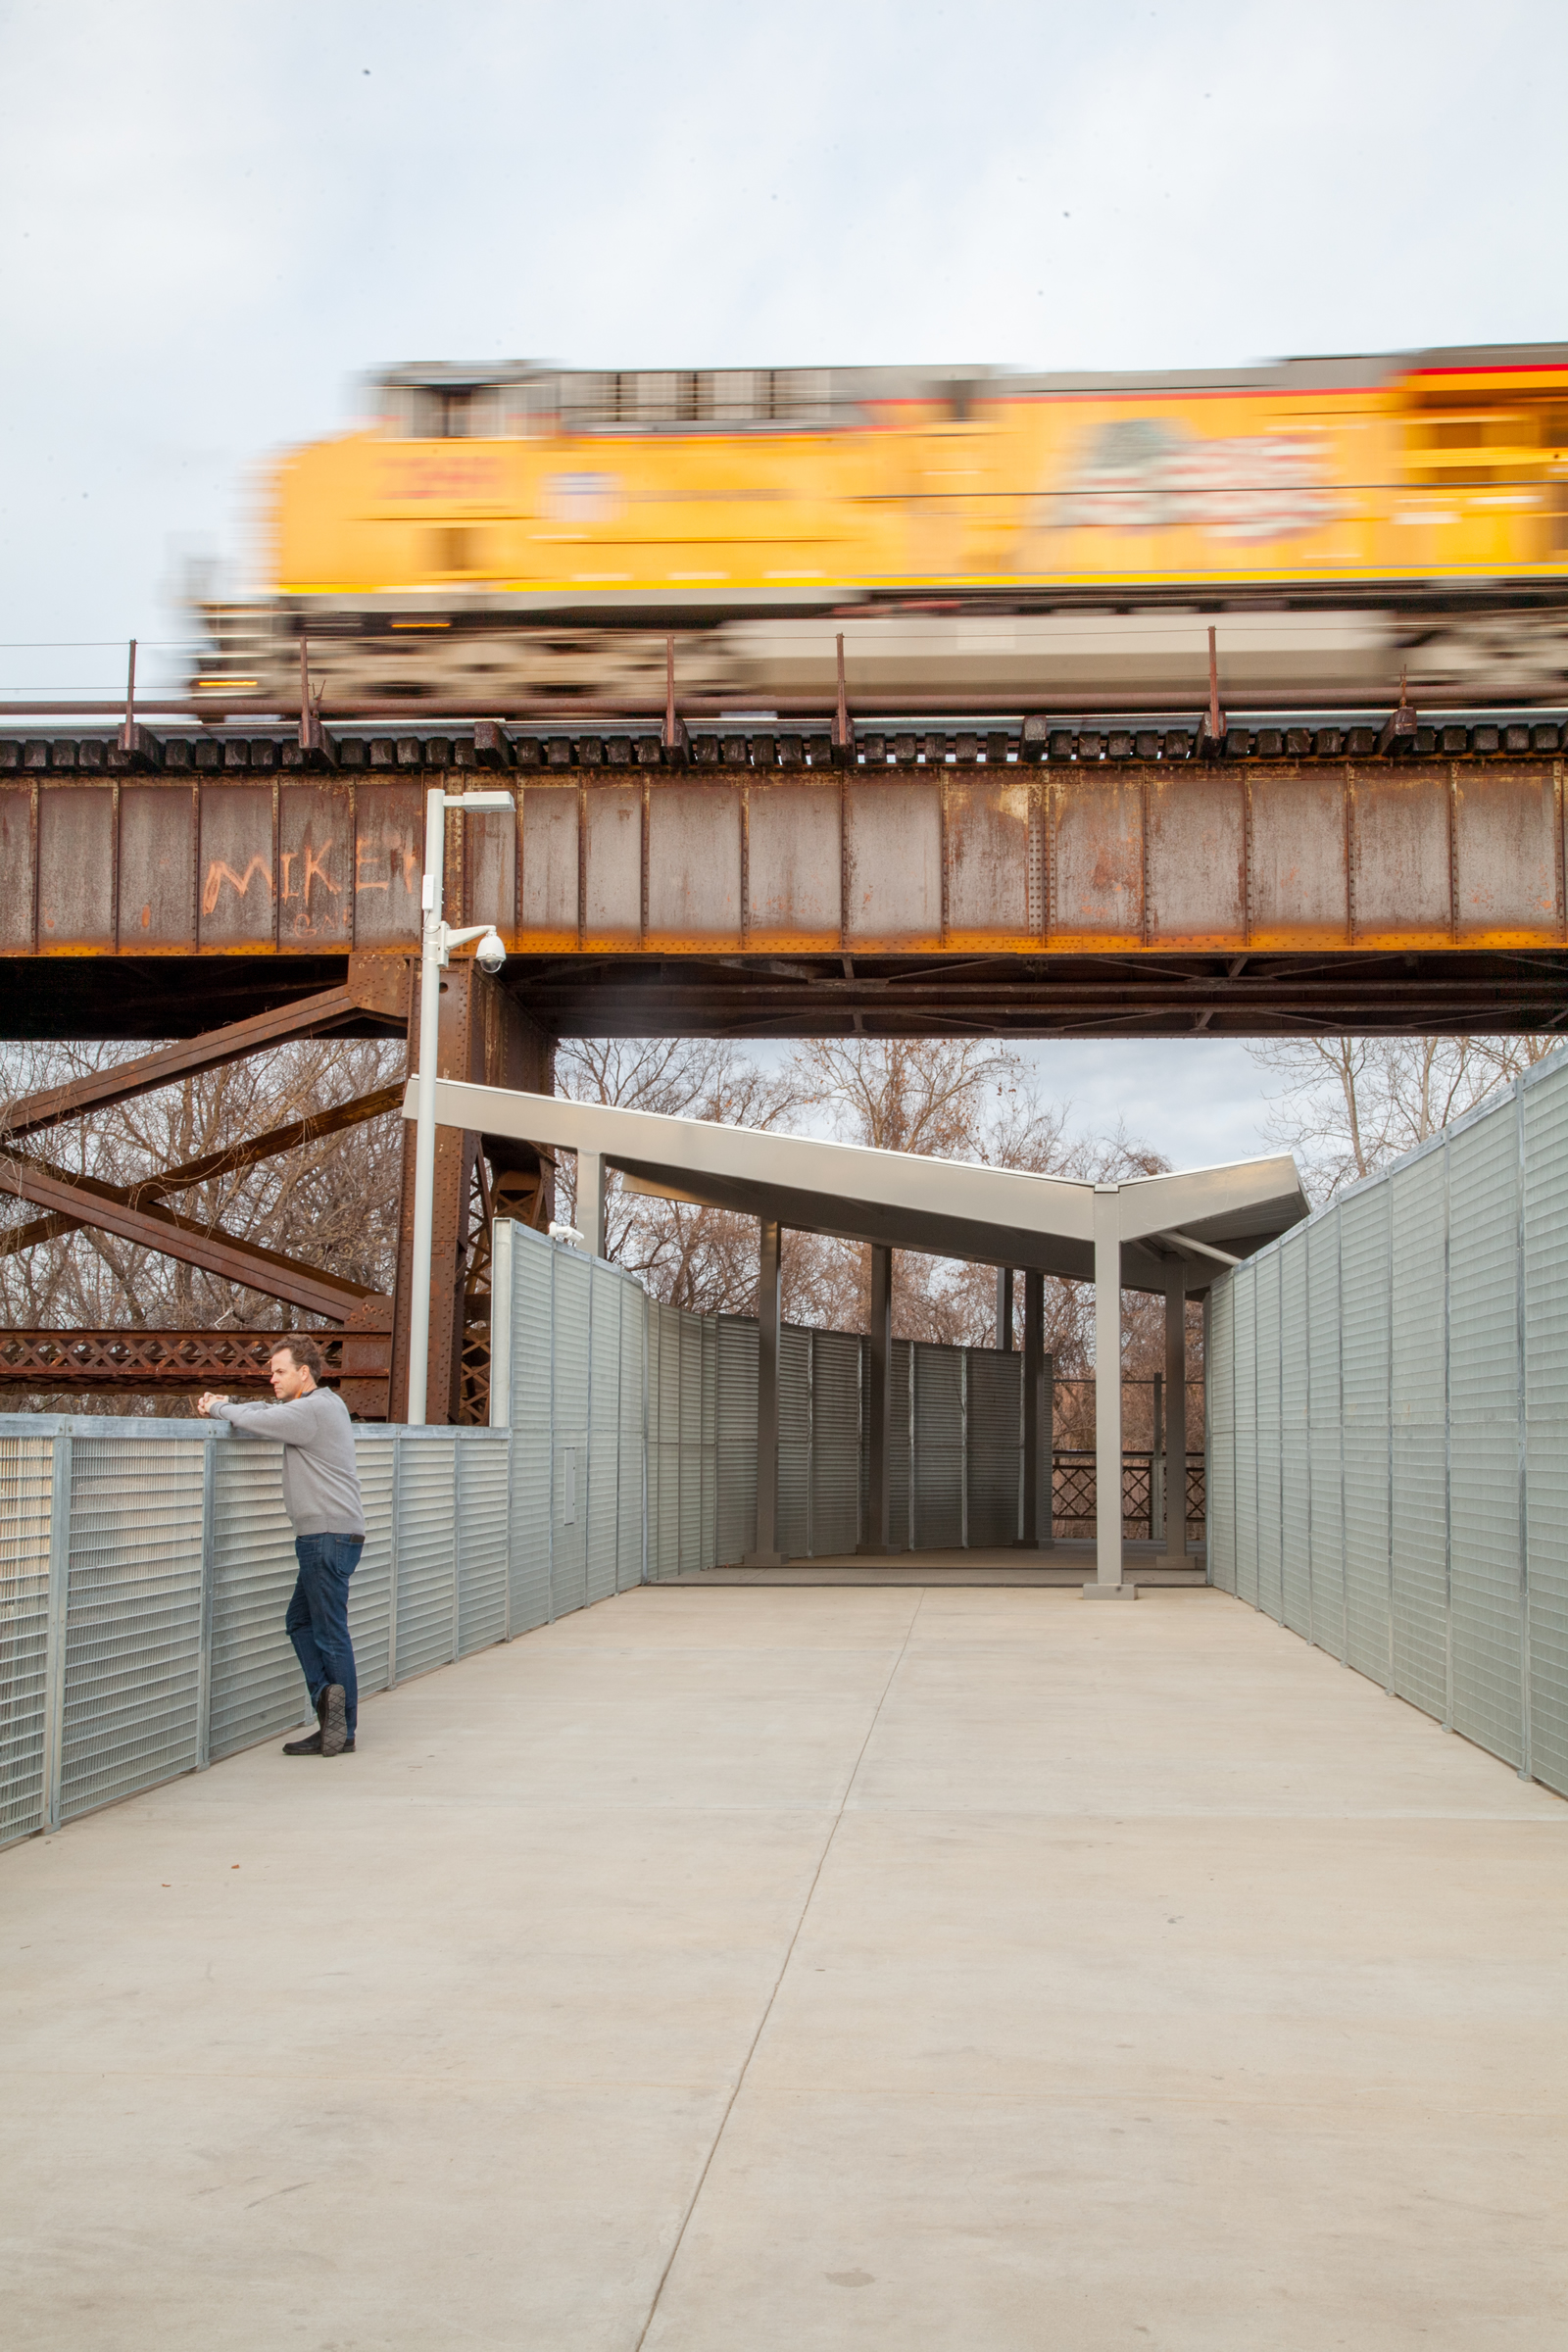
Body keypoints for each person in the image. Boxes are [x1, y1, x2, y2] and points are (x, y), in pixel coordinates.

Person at [199, 1338, 366, 1758]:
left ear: (303, 1373)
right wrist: (230, 1403)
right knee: (302, 1623)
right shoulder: (323, 1405)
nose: (272, 1378)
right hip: (331, 1534)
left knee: (328, 1633)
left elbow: (257, 1421)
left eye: (279, 1371)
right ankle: (332, 1712)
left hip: (324, 1537)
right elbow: (263, 1412)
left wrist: (217, 1407)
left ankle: (339, 1725)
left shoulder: (312, 1410)